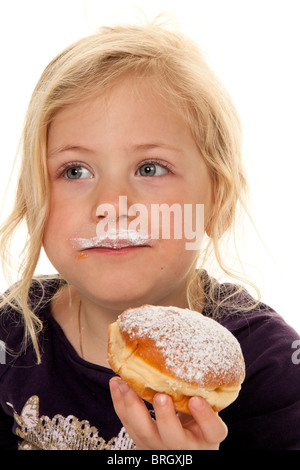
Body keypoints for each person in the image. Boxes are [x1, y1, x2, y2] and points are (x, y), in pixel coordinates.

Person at [0, 19, 299, 451]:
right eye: (75, 171)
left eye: (149, 168)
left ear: (219, 199)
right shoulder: (13, 333)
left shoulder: (271, 365)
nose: (112, 203)